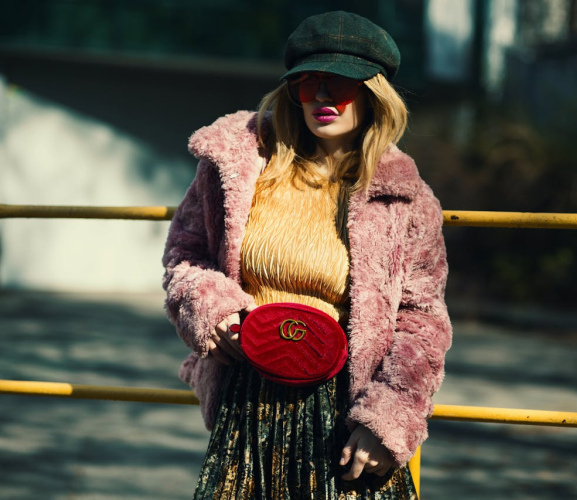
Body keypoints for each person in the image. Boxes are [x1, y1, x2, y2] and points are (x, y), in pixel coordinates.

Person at [162, 10, 451, 499]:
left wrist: (386, 420)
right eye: (307, 82)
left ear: (373, 93)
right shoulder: (239, 164)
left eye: (340, 84)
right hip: (248, 397)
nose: (321, 96)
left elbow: (422, 321)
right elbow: (185, 255)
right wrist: (212, 309)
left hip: (344, 409)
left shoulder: (405, 197)